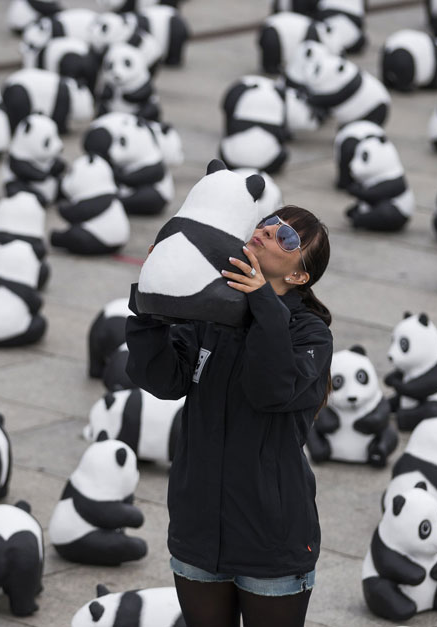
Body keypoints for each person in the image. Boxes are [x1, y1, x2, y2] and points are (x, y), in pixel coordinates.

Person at [125, 205, 334, 627]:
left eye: (288, 238)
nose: (270, 232)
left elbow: (270, 390)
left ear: (298, 276)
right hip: (198, 529)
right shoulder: (211, 312)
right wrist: (153, 302)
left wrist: (262, 304)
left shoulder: (309, 334)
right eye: (269, 223)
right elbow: (163, 380)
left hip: (271, 541)